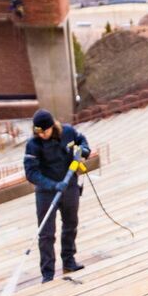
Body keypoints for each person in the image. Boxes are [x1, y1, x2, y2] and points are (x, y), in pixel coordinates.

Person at [23, 109, 90, 283]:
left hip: (69, 187)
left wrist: (84, 149)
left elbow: (81, 140)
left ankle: (69, 261)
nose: (42, 135)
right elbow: (31, 173)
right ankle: (48, 273)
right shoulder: (33, 145)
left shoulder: (67, 132)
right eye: (38, 132)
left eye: (45, 131)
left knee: (70, 224)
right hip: (46, 192)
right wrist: (52, 185)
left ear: (52, 126)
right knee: (46, 234)